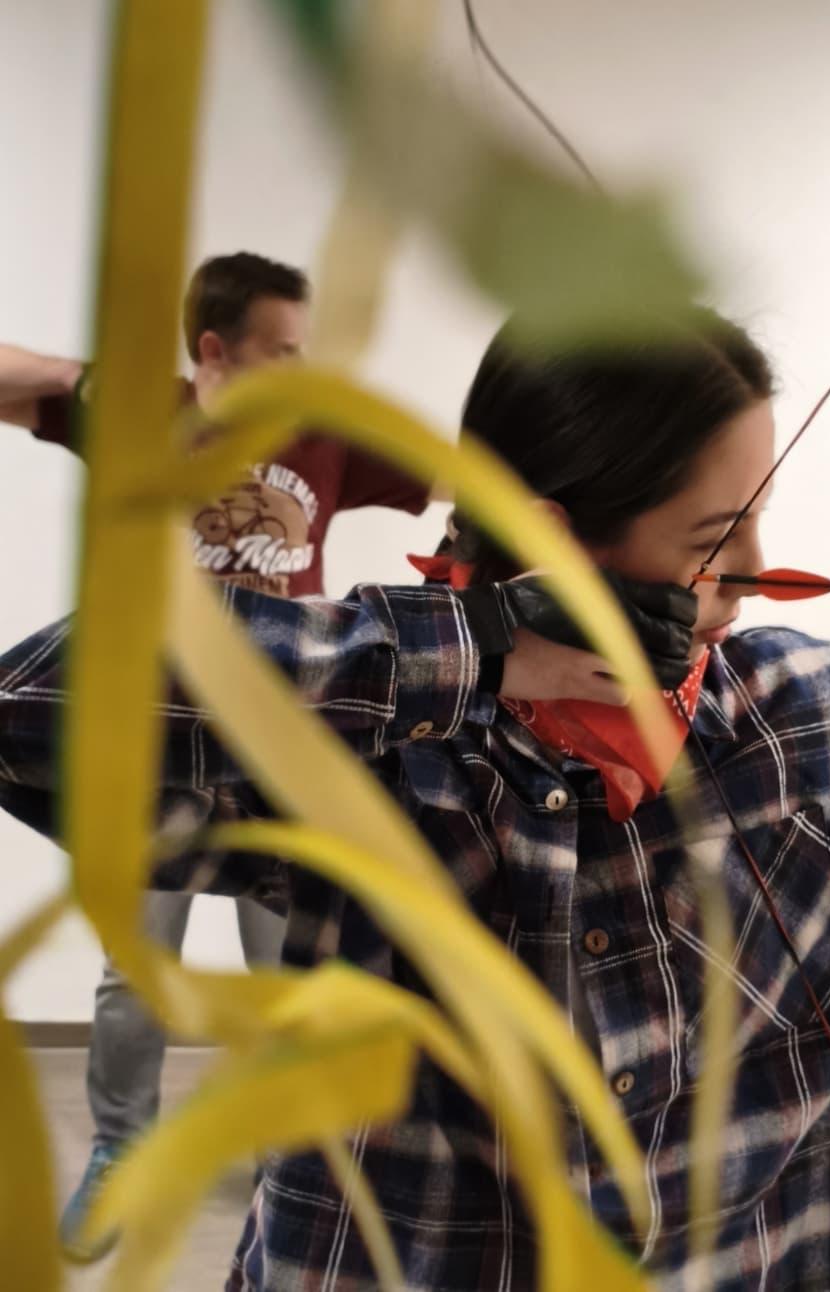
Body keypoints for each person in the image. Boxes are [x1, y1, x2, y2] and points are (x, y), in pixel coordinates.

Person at [1, 309, 830, 1291]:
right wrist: (472, 639)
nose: (758, 571)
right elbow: (30, 717)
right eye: (713, 538)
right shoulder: (376, 764)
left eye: (757, 519)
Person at [0, 250, 432, 1263]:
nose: (300, 366)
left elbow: (451, 479)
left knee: (288, 965)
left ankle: (293, 1162)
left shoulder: (319, 433)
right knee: (134, 970)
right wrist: (83, 377)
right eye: (282, 349)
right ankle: (121, 1150)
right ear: (214, 350)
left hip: (280, 751)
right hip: (149, 750)